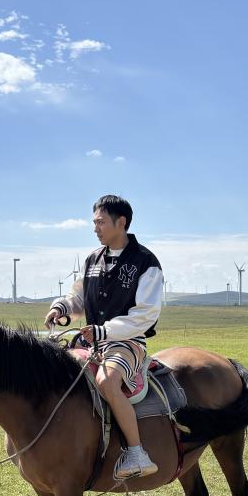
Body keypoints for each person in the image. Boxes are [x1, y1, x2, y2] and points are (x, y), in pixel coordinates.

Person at [45, 195, 165, 480]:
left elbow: (145, 314)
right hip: (91, 342)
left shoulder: (146, 262)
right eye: (94, 222)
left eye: (100, 222)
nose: (95, 228)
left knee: (107, 382)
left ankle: (136, 453)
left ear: (120, 222)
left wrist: (105, 330)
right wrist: (62, 308)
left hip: (127, 342)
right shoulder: (92, 259)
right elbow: (79, 297)